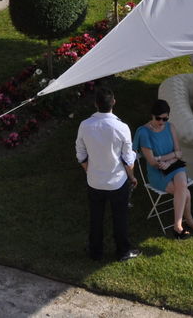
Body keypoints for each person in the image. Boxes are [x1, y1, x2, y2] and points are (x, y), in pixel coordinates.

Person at [75, 87, 140, 262]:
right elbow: (128, 158)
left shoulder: (85, 125)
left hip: (94, 181)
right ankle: (123, 251)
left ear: (96, 104)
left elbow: (80, 153)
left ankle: (95, 252)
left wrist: (89, 169)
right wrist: (132, 177)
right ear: (113, 103)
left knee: (96, 217)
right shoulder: (121, 127)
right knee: (120, 217)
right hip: (117, 182)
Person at [134, 99, 193, 238]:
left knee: (182, 184)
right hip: (157, 172)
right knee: (186, 193)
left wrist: (168, 160)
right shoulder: (143, 132)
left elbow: (179, 152)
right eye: (158, 118)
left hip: (174, 166)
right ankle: (188, 221)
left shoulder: (170, 127)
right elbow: (153, 161)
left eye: (165, 118)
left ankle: (178, 226)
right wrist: (171, 157)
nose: (161, 122)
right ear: (151, 115)